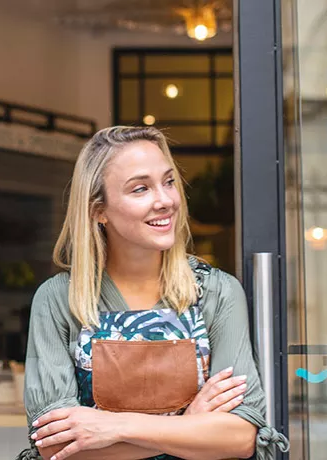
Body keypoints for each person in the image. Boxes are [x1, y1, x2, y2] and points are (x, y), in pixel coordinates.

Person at [18, 126, 289, 460]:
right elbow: (56, 445)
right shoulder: (60, 300)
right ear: (98, 210)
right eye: (140, 189)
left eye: (169, 182)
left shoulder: (215, 292)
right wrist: (188, 425)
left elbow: (241, 436)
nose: (165, 201)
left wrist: (114, 427)